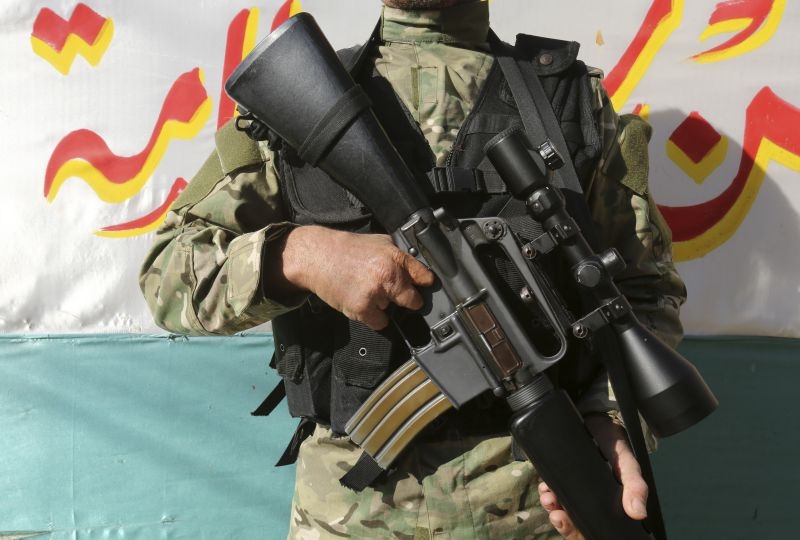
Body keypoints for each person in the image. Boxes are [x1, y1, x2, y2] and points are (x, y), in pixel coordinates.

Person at [139, 0, 687, 538]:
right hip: (350, 514)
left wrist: (611, 422)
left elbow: (643, 291)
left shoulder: (574, 102)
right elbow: (168, 272)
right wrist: (300, 255)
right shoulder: (290, 105)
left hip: (540, 502)